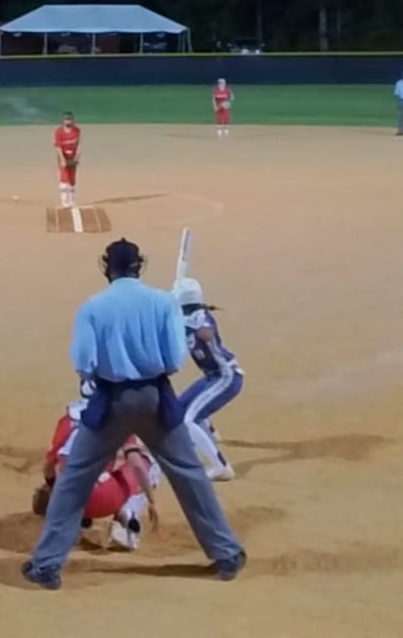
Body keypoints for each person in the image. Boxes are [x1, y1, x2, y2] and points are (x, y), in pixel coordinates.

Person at [21, 238, 245, 590]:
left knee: (75, 479)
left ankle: (46, 564)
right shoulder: (163, 303)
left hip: (111, 401)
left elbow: (83, 362)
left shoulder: (93, 307)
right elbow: (174, 359)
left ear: (105, 267)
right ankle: (227, 553)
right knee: (189, 473)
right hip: (156, 397)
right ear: (140, 266)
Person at [31, 384, 160, 551]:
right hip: (106, 498)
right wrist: (152, 502)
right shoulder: (118, 418)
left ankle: (74, 523)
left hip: (71, 500)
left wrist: (52, 488)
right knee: (148, 461)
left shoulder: (68, 419)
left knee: (71, 474)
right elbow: (136, 465)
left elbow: (49, 466)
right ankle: (127, 519)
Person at [171, 274, 241, 481]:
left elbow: (206, 333)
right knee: (179, 407)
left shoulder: (198, 319)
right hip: (212, 377)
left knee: (188, 421)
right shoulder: (185, 318)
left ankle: (221, 467)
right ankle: (210, 435)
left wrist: (186, 326)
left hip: (225, 378)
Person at [53, 112, 82, 209]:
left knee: (72, 179)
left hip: (72, 157)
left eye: (70, 119)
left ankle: (72, 200)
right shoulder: (59, 132)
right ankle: (64, 201)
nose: (68, 121)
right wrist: (62, 159)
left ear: (73, 120)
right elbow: (58, 147)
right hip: (63, 156)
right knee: (64, 178)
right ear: (63, 120)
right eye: (66, 119)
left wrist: (77, 157)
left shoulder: (77, 131)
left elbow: (78, 144)